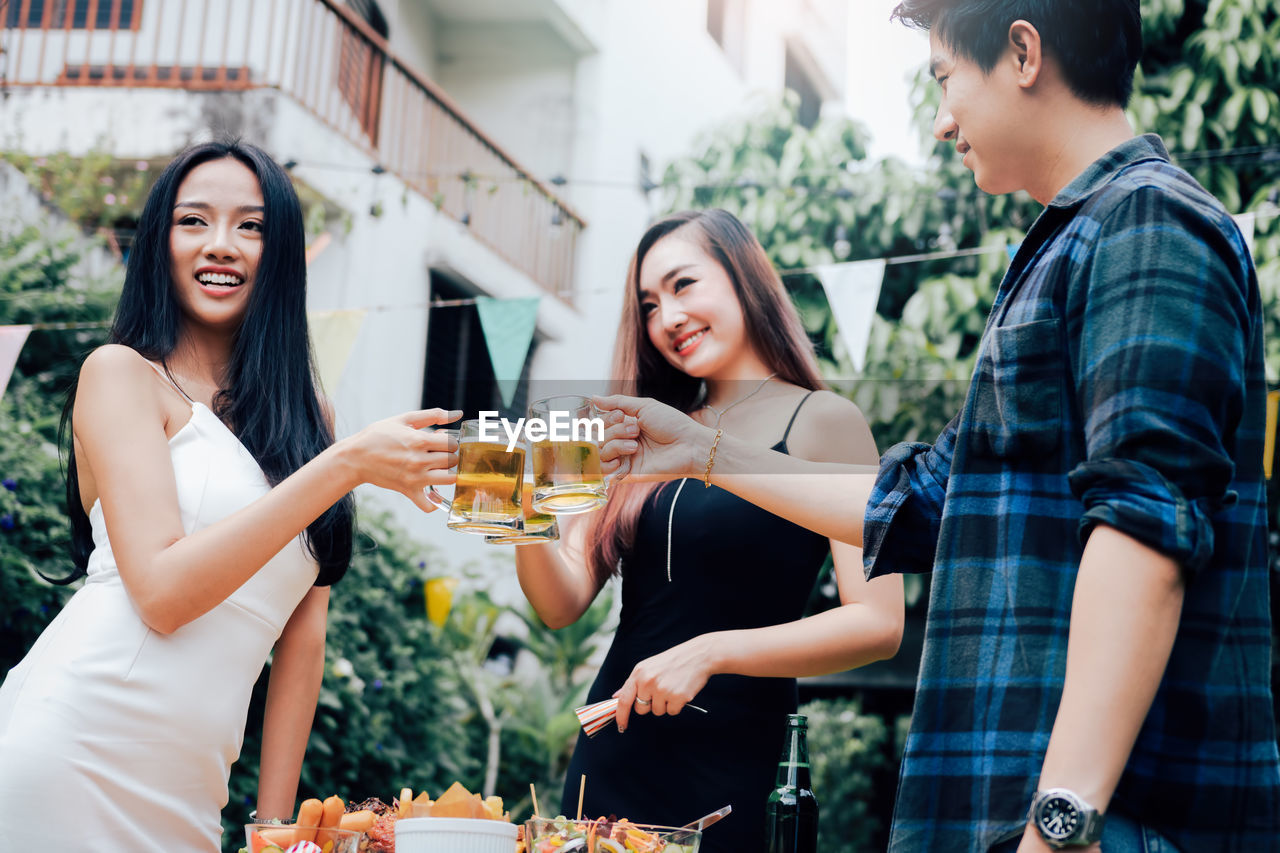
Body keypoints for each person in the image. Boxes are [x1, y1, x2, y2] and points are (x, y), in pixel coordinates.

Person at [596, 2, 1280, 850]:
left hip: (1104, 825)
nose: (944, 117)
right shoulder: (1067, 245)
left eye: (945, 79)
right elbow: (924, 501)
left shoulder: (1146, 224)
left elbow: (1145, 533)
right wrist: (701, 450)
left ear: (1023, 52)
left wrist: (1060, 826)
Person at [0, 140, 459, 852]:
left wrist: (274, 827)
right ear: (160, 240)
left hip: (191, 791)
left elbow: (303, 640)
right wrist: (343, 467)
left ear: (281, 254)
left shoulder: (310, 420)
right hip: (72, 748)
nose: (223, 245)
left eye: (251, 226)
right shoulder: (120, 374)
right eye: (194, 220)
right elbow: (161, 592)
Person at [515, 209, 903, 852]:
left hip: (738, 770)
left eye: (683, 284)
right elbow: (560, 603)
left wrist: (710, 651)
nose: (666, 317)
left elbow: (879, 624)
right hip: (612, 757)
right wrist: (520, 512)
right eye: (648, 304)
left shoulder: (823, 420)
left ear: (744, 277)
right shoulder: (643, 427)